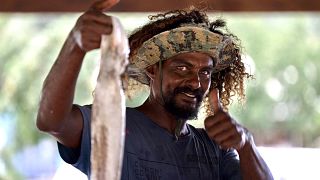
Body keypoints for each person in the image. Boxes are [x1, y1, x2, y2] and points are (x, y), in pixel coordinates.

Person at [36, 0, 274, 179]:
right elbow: (51, 122)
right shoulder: (112, 124)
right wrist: (74, 46)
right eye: (182, 68)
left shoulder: (214, 148)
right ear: (152, 70)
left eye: (205, 72)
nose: (196, 82)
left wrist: (246, 144)